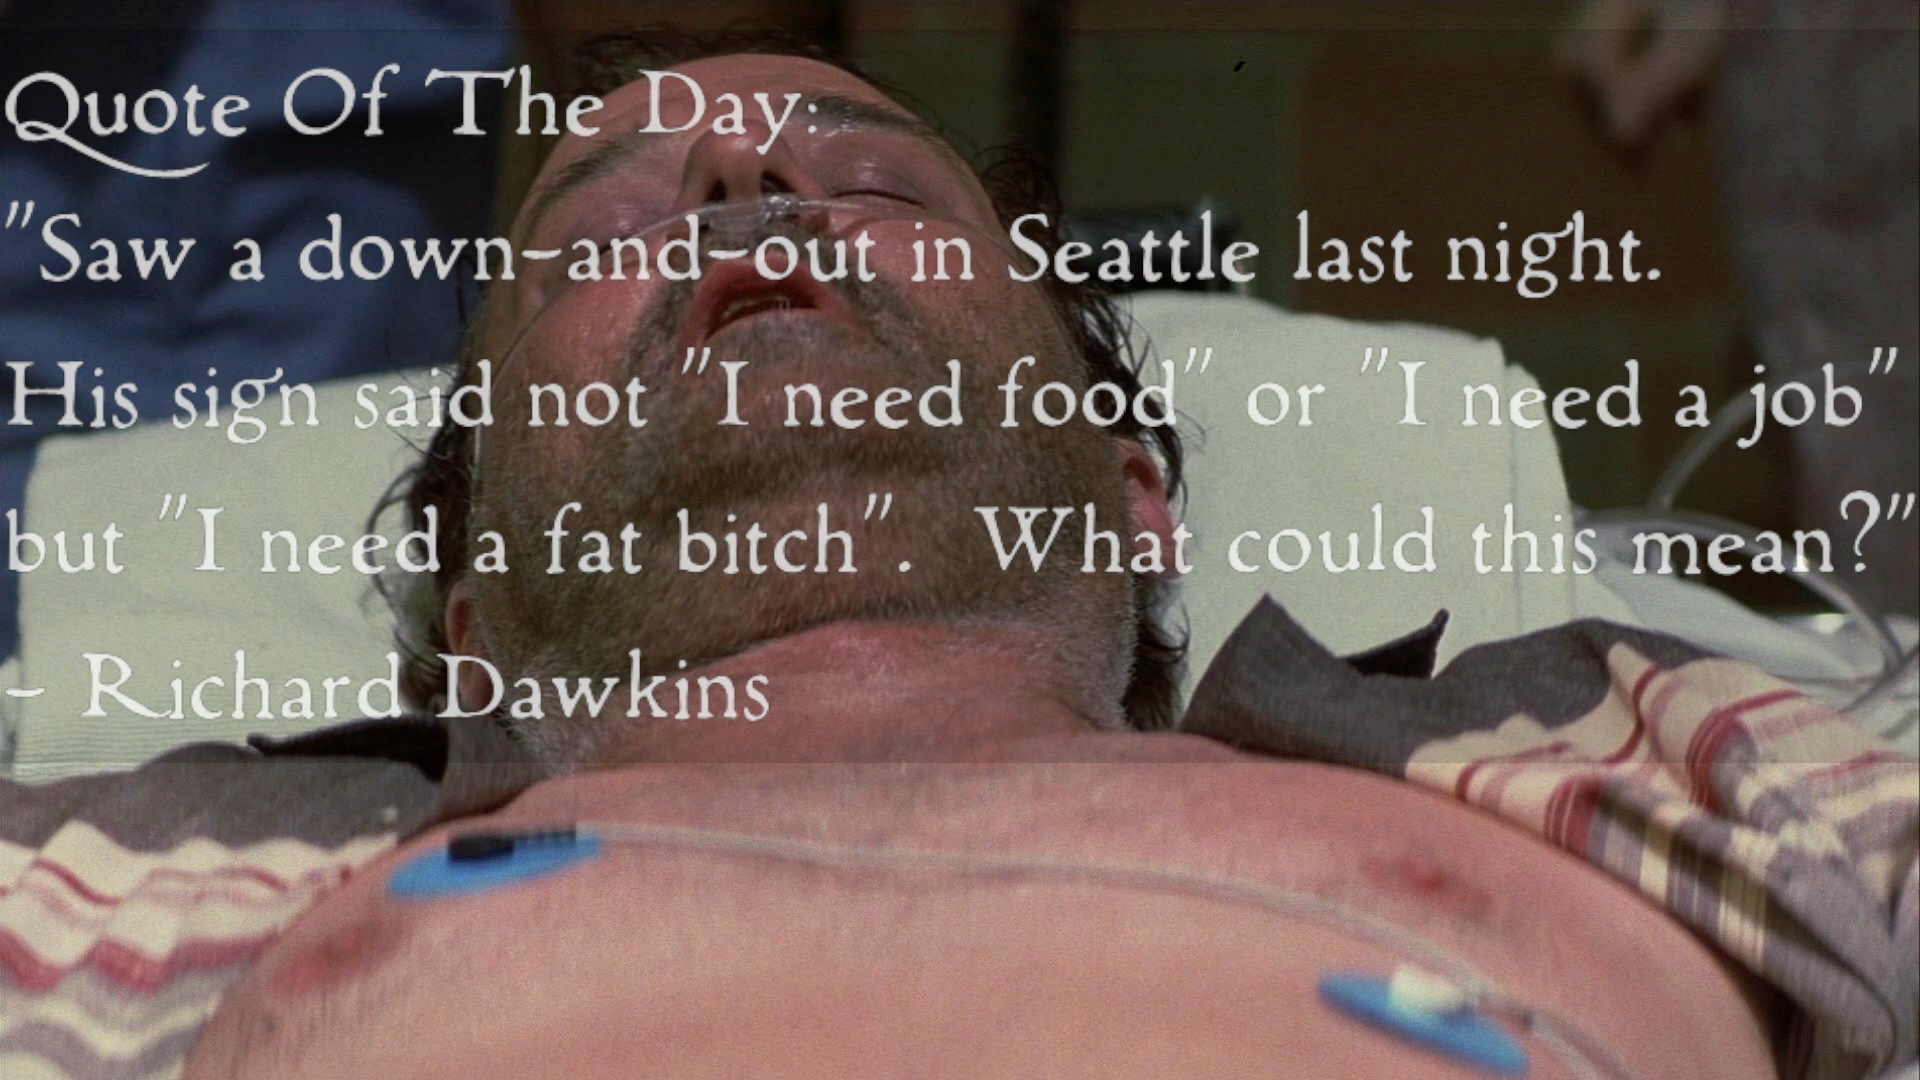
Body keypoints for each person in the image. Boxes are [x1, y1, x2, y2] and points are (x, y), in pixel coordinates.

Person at [3, 30, 1911, 1080]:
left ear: (1135, 487)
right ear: (474, 613)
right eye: (602, 233)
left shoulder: (1608, 750)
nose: (744, 183)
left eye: (872, 180)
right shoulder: (143, 869)